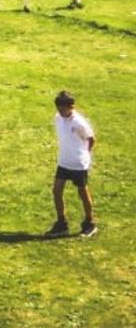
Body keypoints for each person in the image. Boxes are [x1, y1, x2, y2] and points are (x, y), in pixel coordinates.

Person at [48, 90, 96, 237]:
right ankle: (61, 223)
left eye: (63, 109)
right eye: (59, 108)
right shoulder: (58, 118)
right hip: (64, 161)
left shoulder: (78, 123)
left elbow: (91, 139)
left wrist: (85, 155)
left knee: (82, 192)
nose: (61, 112)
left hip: (78, 164)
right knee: (57, 191)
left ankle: (90, 223)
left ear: (71, 106)